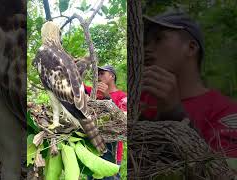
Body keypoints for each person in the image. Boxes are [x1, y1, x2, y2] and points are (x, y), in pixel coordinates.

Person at [141, 11, 237, 157]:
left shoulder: (225, 111)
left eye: (158, 39)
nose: (146, 49)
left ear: (191, 48)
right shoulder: (140, 99)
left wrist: (173, 114)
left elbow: (225, 172)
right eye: (145, 43)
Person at [84, 65, 126, 180]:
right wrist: (75, 66)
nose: (99, 76)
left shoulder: (123, 97)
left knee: (110, 177)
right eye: (98, 74)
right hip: (93, 148)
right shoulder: (93, 93)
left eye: (102, 73)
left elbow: (122, 121)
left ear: (112, 76)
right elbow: (77, 85)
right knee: (92, 176)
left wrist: (108, 97)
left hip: (112, 148)